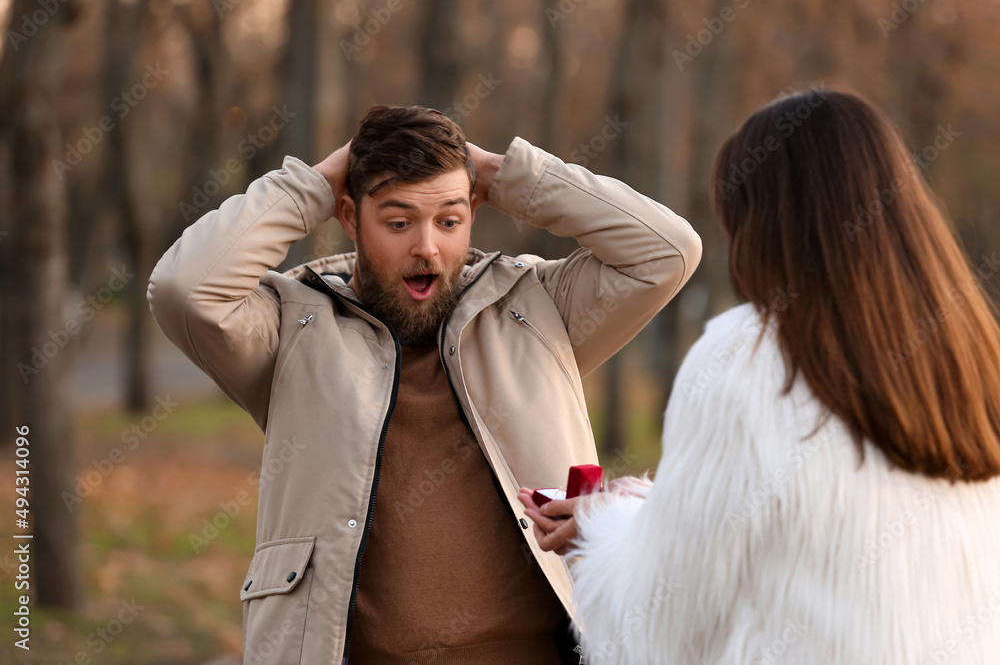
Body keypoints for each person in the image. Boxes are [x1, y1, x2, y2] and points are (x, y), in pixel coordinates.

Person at [147, 105, 701, 664]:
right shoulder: (291, 328)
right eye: (397, 222)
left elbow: (668, 250)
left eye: (449, 220)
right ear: (348, 215)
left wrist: (503, 174)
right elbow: (183, 289)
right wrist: (313, 185)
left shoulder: (537, 308)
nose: (426, 248)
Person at [520, 89, 1000, 664]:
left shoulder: (748, 357)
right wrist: (659, 505)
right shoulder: (967, 353)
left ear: (765, 225)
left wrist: (599, 528)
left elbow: (662, 630)